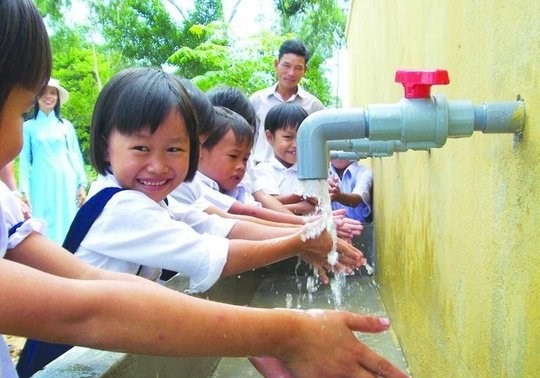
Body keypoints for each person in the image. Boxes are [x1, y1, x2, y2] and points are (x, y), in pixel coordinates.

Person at [0, 3, 409, 377]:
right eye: (22, 111)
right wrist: (295, 272)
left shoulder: (145, 199)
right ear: (105, 143)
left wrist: (246, 332)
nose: (159, 164)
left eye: (175, 149)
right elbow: (93, 307)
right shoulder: (121, 207)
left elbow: (107, 284)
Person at [172, 83, 363, 242]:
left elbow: (256, 209)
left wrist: (310, 227)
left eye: (245, 157)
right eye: (233, 155)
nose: (241, 165)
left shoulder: (234, 177)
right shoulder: (188, 184)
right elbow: (242, 216)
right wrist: (308, 229)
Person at [18, 77, 87, 244]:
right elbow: (24, 159)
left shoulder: (66, 126)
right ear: (36, 97)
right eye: (43, 92)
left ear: (57, 98)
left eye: (53, 93)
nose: (48, 96)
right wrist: (24, 190)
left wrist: (82, 183)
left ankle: (67, 257)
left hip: (65, 179)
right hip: (40, 180)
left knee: (67, 216)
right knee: (42, 217)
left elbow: (75, 155)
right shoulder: (28, 127)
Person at [250, 38, 324, 164]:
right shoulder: (257, 101)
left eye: (298, 68)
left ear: (305, 70)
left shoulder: (313, 106)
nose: (291, 73)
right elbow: (247, 139)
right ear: (276, 64)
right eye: (286, 65)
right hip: (260, 172)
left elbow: (319, 145)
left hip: (297, 175)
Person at [254, 102, 319, 215]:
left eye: (301, 137)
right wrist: (300, 199)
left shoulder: (309, 170)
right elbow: (267, 203)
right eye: (288, 137)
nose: (295, 144)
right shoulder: (264, 170)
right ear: (270, 137)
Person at [328, 159, 373, 223]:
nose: (338, 153)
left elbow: (357, 198)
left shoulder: (364, 172)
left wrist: (338, 196)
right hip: (331, 227)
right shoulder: (323, 172)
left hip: (358, 228)